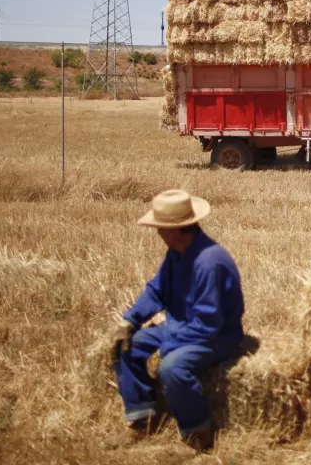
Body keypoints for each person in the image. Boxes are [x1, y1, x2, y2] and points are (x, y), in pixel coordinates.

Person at [106, 189, 245, 455]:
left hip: (216, 336)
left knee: (172, 367)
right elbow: (156, 291)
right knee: (126, 345)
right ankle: (141, 418)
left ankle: (199, 435)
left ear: (177, 229)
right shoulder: (177, 253)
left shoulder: (210, 262)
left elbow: (209, 323)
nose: (157, 232)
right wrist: (130, 320)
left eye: (160, 227)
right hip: (182, 327)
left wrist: (170, 344)